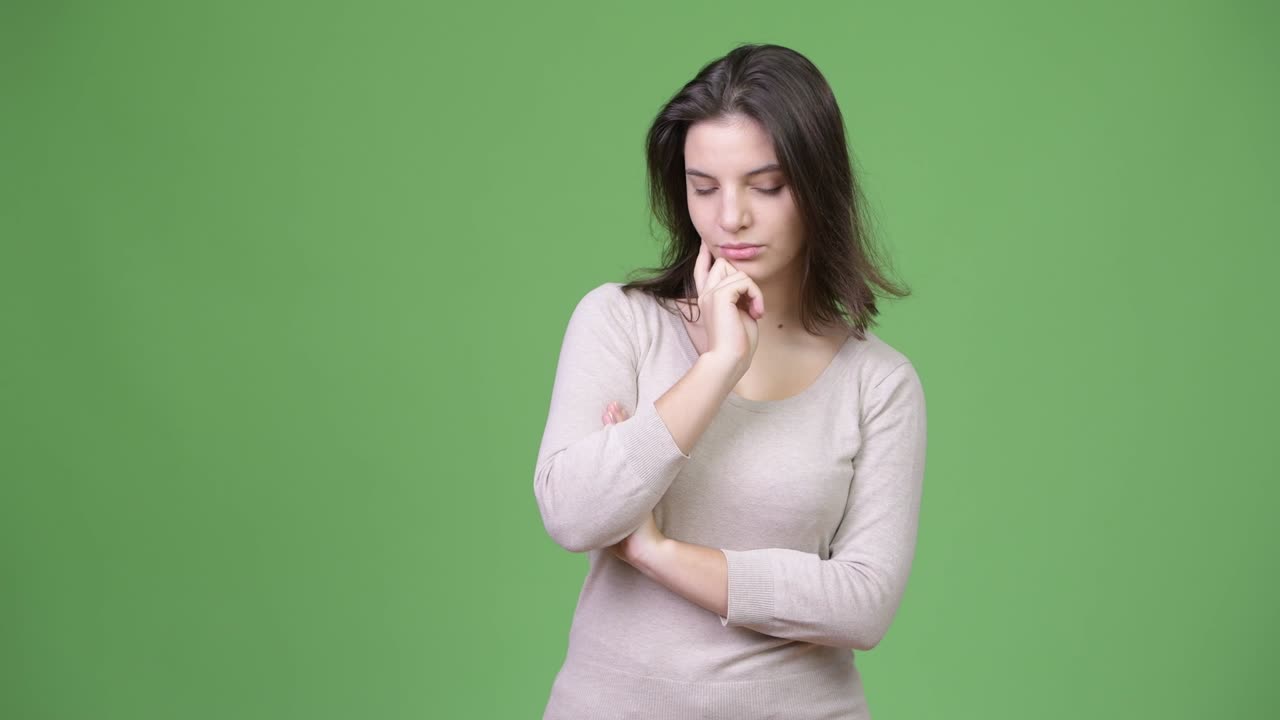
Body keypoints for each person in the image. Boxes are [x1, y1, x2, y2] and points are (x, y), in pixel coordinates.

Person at [532, 43, 927, 719]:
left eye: (766, 186)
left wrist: (658, 555)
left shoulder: (879, 384)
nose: (730, 217)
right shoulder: (619, 322)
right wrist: (717, 366)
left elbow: (863, 605)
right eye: (704, 187)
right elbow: (572, 514)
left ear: (818, 185)